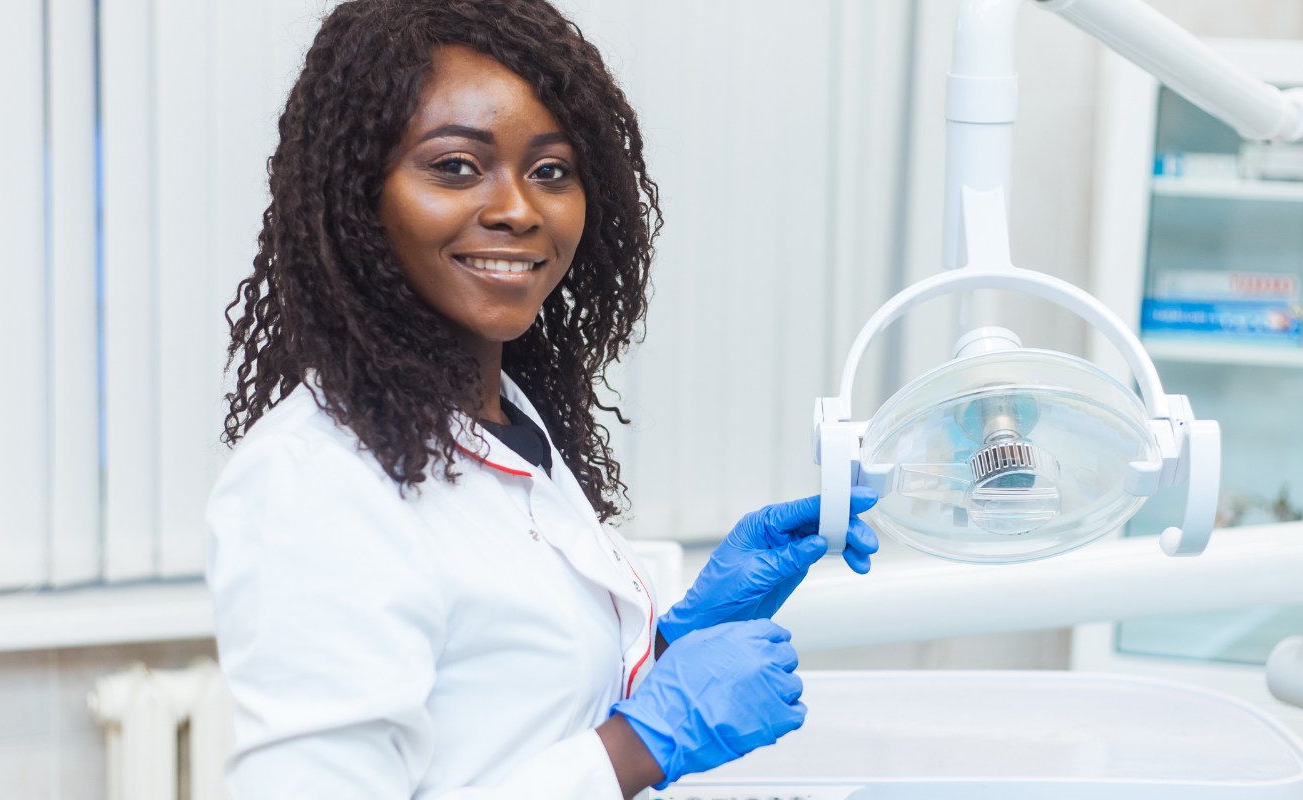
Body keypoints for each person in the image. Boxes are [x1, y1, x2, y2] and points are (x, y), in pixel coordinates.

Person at [205, 1, 879, 798]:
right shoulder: (314, 482)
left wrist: (674, 642)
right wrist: (639, 746)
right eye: (455, 165)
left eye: (551, 171)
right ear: (357, 195)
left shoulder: (506, 420)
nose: (518, 209)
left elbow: (509, 716)